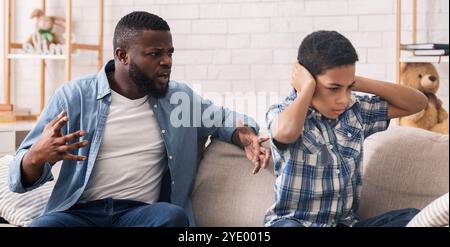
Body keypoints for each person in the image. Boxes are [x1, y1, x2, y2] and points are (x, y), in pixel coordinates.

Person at [9, 11, 270, 227]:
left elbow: (223, 119)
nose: (167, 61)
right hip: (79, 214)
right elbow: (17, 180)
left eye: (170, 53)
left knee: (172, 217)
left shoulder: (179, 98)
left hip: (140, 215)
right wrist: (36, 156)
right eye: (155, 54)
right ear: (122, 55)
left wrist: (244, 136)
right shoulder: (74, 96)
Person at [264, 30, 427, 227]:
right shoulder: (282, 113)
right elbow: (285, 133)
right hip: (295, 222)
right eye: (333, 88)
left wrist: (358, 83)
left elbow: (417, 103)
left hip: (345, 224)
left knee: (413, 217)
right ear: (310, 80)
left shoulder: (356, 111)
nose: (343, 98)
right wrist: (305, 88)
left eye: (348, 88)